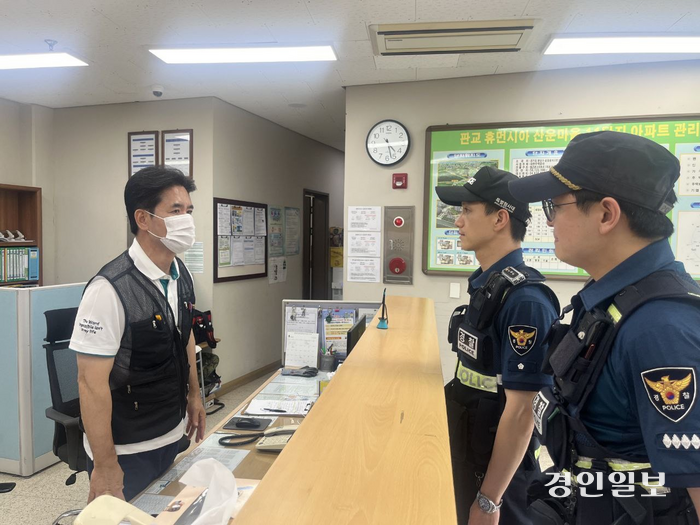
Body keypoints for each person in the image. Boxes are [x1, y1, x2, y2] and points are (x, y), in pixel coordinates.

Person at [509, 131, 700, 524]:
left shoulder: (659, 329)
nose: (549, 220)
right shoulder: (609, 300)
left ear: (607, 214)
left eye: (554, 206)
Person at [70, 166, 206, 502]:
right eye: (175, 211)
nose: (186, 219)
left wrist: (194, 395)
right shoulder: (109, 290)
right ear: (143, 219)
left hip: (170, 431)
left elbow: (184, 334)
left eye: (188, 211)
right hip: (127, 447)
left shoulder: (180, 273)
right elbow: (90, 383)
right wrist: (104, 465)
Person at [436, 166, 559, 524]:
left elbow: (522, 413)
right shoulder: (488, 286)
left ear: (500, 218)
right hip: (468, 442)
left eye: (467, 211)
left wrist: (489, 499)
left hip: (495, 470)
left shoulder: (526, 301)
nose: (457, 221)